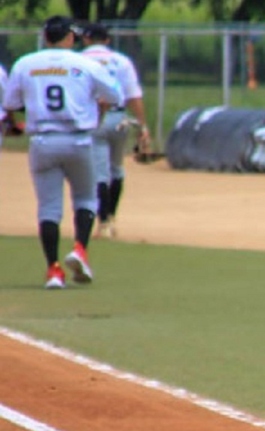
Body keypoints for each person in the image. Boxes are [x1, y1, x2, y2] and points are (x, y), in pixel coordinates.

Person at [2, 15, 122, 289]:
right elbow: (115, 95)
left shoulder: (26, 63)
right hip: (78, 139)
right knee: (85, 198)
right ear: (69, 37)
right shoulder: (85, 63)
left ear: (45, 37)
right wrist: (96, 103)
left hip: (42, 141)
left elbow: (10, 102)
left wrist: (19, 120)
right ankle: (80, 248)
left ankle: (53, 270)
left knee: (48, 207)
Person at [81, 22, 152, 238]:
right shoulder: (121, 61)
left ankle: (103, 222)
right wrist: (142, 125)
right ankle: (111, 215)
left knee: (100, 172)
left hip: (93, 118)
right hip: (119, 118)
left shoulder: (78, 61)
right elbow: (133, 95)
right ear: (108, 40)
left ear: (85, 39)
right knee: (117, 168)